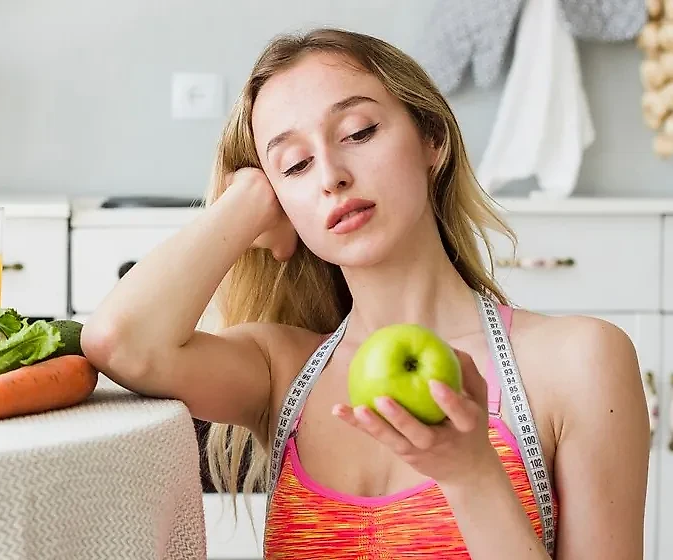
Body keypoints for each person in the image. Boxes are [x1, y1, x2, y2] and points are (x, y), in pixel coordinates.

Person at [81, 27, 650, 559]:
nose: (331, 175)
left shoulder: (578, 361)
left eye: (358, 132)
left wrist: (472, 473)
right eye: (297, 165)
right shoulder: (281, 372)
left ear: (433, 139)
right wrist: (247, 199)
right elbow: (118, 343)